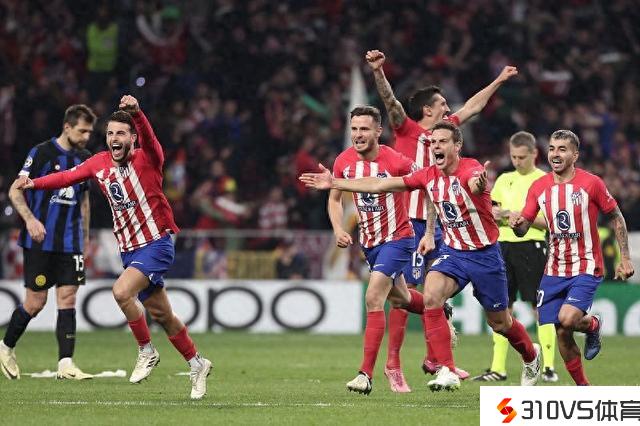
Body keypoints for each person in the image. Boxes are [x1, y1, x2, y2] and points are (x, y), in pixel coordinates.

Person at [301, 121, 542, 392]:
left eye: (442, 141)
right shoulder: (427, 176)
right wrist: (335, 182)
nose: (436, 146)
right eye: (433, 142)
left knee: (500, 323)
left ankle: (530, 355)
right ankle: (447, 369)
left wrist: (479, 184)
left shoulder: (471, 169)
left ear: (457, 146)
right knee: (431, 296)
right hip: (453, 252)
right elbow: (380, 184)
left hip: (485, 256)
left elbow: (474, 184)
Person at [13, 95, 212, 399]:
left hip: (156, 243)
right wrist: (34, 183)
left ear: (132, 138)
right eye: (109, 133)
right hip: (129, 249)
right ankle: (197, 363)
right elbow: (66, 177)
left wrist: (138, 114)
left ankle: (146, 350)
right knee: (163, 315)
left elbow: (150, 139)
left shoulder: (149, 158)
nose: (114, 138)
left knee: (121, 291)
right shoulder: (98, 163)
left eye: (121, 133)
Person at [365, 49, 517, 380]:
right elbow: (390, 101)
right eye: (443, 105)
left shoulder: (447, 134)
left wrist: (499, 80)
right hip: (411, 223)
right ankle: (394, 364)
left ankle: (436, 360)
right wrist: (378, 72)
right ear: (427, 110)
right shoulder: (406, 129)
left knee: (432, 292)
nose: (449, 110)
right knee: (408, 290)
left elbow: (474, 106)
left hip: (443, 224)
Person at [315, 105, 434, 395]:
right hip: (370, 243)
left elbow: (428, 185)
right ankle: (437, 308)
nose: (358, 134)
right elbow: (334, 199)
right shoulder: (343, 161)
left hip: (398, 238)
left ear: (378, 131)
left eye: (364, 129)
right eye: (354, 129)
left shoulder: (396, 160)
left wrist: (430, 231)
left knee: (373, 297)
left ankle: (365, 375)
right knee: (402, 298)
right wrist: (338, 228)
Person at [509, 129, 634, 386]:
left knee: (567, 318)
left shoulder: (591, 183)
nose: (555, 154)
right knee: (562, 332)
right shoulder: (539, 187)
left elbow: (616, 216)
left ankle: (591, 325)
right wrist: (516, 225)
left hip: (586, 265)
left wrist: (625, 258)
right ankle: (583, 387)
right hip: (554, 269)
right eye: (552, 148)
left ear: (575, 155)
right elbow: (524, 228)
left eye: (562, 149)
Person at [1, 104, 96, 381]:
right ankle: (5, 347)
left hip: (70, 241)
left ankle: (66, 364)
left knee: (68, 298)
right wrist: (30, 220)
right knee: (35, 303)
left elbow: (84, 200)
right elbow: (14, 191)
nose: (87, 136)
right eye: (82, 131)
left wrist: (85, 237)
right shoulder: (41, 153)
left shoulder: (85, 158)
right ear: (67, 127)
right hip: (40, 241)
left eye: (90, 132)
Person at [473, 131, 558, 382]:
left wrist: (521, 217)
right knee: (502, 307)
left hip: (532, 246)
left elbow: (552, 221)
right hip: (502, 247)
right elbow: (492, 210)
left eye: (522, 157)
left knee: (540, 307)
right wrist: (498, 214)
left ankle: (548, 367)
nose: (517, 161)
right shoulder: (504, 179)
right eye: (513, 157)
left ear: (534, 154)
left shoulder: (545, 180)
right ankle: (498, 368)